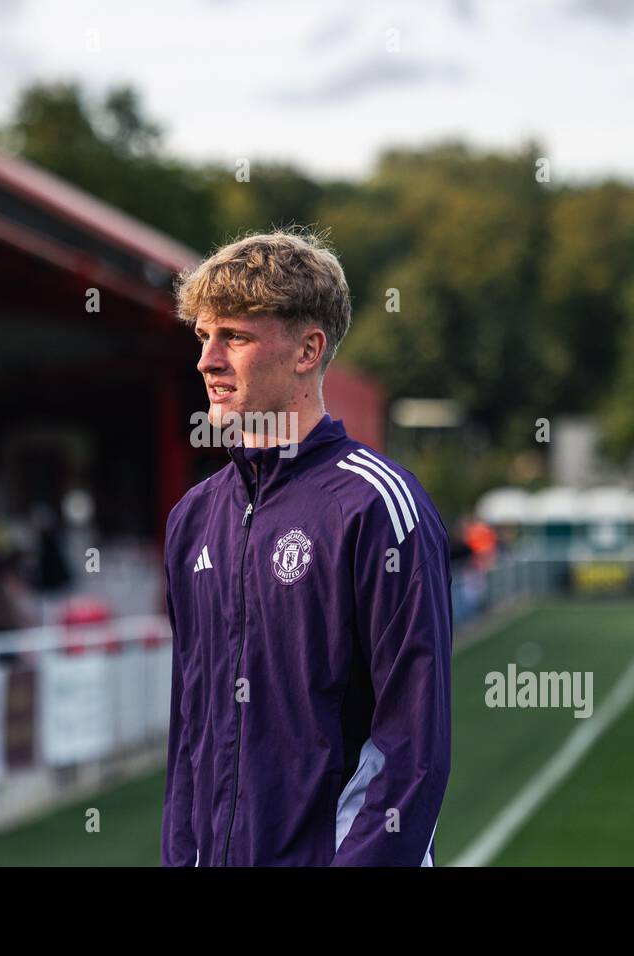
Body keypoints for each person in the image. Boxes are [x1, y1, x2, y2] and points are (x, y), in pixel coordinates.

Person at [161, 229, 453, 867]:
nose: (207, 361)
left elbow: (412, 747)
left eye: (233, 336)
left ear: (307, 350)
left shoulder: (377, 506)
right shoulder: (192, 519)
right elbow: (191, 736)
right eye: (202, 337)